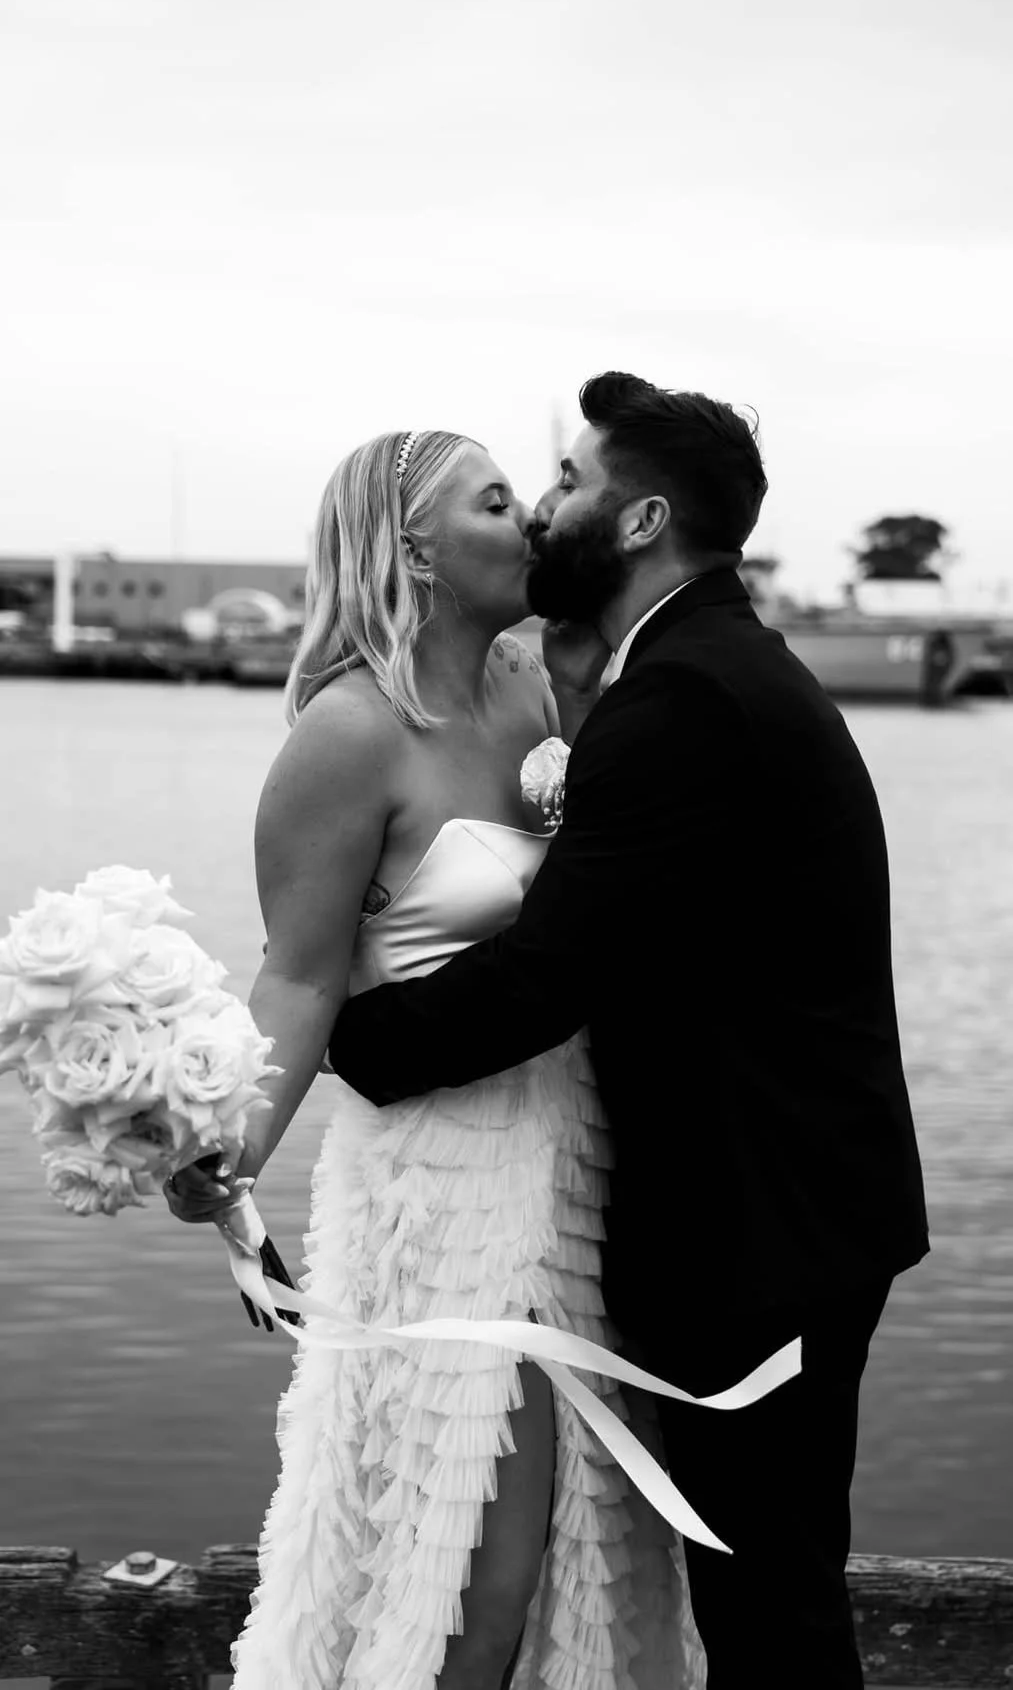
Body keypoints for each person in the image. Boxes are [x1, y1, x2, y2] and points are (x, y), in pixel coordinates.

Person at [327, 372, 931, 1690]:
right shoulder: (688, 670)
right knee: (760, 1586)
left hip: (761, 1231)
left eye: (567, 486)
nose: (546, 513)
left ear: (642, 516)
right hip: (787, 1213)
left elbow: (554, 973)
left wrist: (346, 1037)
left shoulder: (688, 698)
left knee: (769, 1606)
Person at [164, 424, 703, 1690]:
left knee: (588, 1542)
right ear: (408, 546)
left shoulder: (543, 688)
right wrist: (229, 1155)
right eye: (497, 501)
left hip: (577, 1156)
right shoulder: (348, 734)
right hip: (439, 1180)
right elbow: (296, 976)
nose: (531, 523)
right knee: (474, 1560)